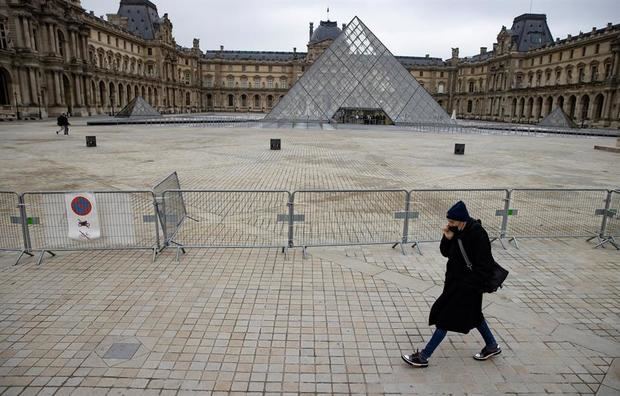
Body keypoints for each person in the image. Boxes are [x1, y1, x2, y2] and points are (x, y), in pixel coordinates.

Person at [401, 201, 501, 368]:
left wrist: (469, 285)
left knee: (445, 320)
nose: (449, 224)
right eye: (449, 221)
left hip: (468, 287)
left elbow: (485, 265)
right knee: (475, 316)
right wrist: (447, 239)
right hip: (454, 284)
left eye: (452, 222)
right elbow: (446, 253)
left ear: (462, 220)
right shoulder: (456, 230)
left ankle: (424, 356)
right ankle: (492, 345)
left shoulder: (477, 234)